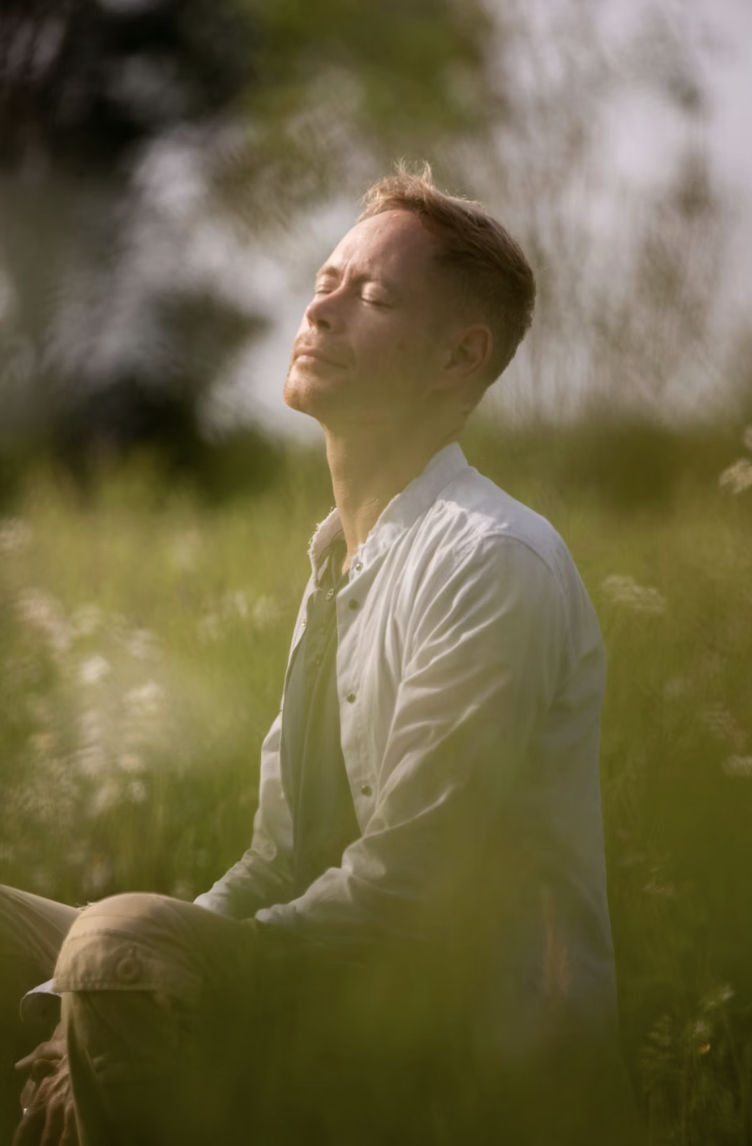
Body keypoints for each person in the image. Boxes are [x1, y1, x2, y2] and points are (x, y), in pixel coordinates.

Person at [2, 165, 637, 1145]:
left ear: (457, 358)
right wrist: (103, 976)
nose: (321, 306)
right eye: (325, 279)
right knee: (55, 944)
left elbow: (409, 888)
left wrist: (139, 969)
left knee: (112, 951)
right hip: (318, 985)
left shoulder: (490, 560)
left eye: (373, 296)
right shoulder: (336, 558)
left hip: (448, 1049)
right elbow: (274, 860)